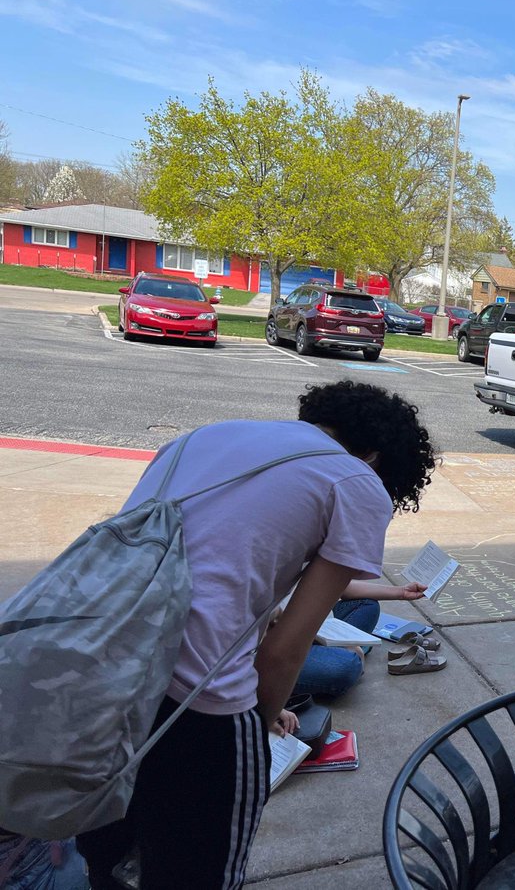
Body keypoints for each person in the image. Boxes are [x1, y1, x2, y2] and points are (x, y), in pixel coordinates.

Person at [77, 380, 438, 890]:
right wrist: (263, 723)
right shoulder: (356, 481)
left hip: (94, 663)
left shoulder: (201, 438)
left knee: (110, 848)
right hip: (195, 704)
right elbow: (284, 650)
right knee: (196, 869)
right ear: (376, 455)